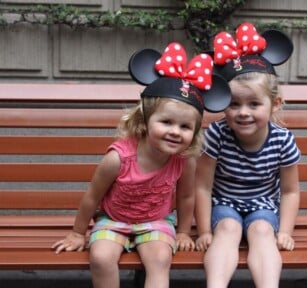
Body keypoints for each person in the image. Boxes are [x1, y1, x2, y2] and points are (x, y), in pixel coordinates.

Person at [52, 42, 231, 288]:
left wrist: (182, 231)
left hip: (156, 221)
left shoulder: (184, 160)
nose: (175, 132)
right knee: (101, 257)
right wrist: (77, 232)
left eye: (185, 127)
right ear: (145, 120)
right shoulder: (119, 158)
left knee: (159, 259)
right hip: (113, 220)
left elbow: (187, 196)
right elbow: (93, 196)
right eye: (166, 122)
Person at [195, 23, 301, 288]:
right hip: (224, 203)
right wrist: (205, 230)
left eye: (254, 104)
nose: (243, 112)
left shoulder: (281, 139)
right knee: (228, 230)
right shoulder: (217, 135)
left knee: (263, 231)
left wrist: (285, 231)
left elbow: (289, 191)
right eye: (233, 104)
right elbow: (203, 186)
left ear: (275, 103)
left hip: (263, 204)